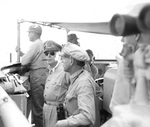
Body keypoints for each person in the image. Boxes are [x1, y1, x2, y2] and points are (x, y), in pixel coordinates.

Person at [55, 43, 96, 127]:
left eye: (62, 57)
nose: (61, 61)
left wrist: (60, 124)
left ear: (71, 61)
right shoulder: (76, 77)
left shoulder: (83, 83)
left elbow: (87, 117)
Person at [20, 24, 48, 127]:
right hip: (44, 75)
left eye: (29, 33)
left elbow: (24, 61)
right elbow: (35, 56)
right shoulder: (41, 43)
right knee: (41, 105)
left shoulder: (35, 44)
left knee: (37, 107)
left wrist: (22, 55)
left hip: (37, 76)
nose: (28, 35)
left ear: (35, 34)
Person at [43, 40, 70, 127]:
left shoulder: (65, 71)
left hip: (58, 110)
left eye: (52, 53)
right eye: (46, 53)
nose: (49, 56)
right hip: (46, 108)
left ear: (59, 55)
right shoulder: (48, 70)